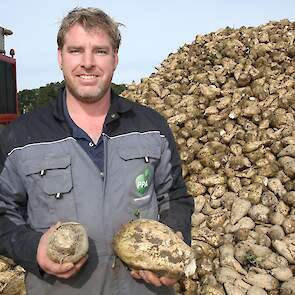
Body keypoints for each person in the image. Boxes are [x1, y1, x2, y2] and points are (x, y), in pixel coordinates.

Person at [0, 7, 194, 295]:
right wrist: (33, 250)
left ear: (115, 59)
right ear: (60, 57)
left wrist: (173, 248)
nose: (88, 63)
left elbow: (174, 196)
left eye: (100, 51)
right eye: (76, 50)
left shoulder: (152, 128)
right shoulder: (21, 136)